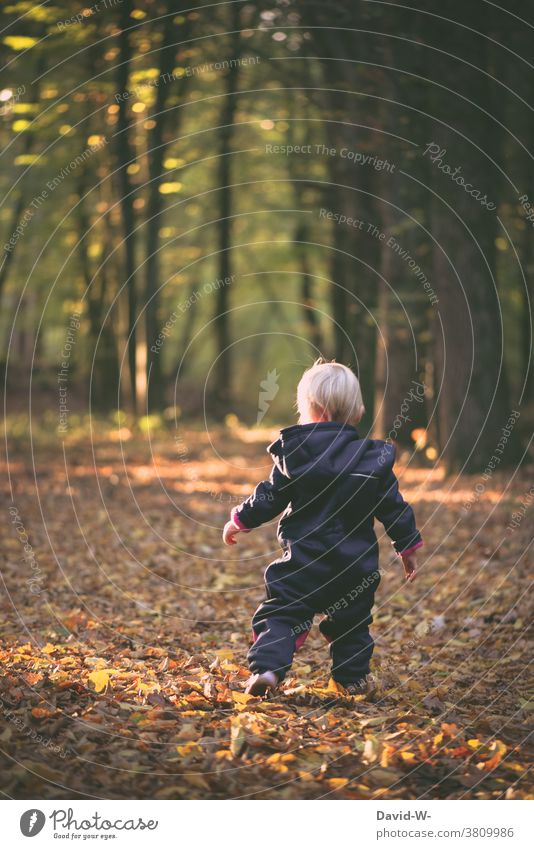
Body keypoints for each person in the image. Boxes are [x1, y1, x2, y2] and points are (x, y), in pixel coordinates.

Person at [222, 359, 423, 696]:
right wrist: (407, 546)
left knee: (282, 614)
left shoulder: (296, 455)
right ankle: (351, 679)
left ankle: (269, 670)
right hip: (355, 569)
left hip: (304, 563)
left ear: (310, 411)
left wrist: (239, 520)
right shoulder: (371, 460)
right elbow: (393, 506)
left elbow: (269, 496)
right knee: (353, 625)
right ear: (356, 413)